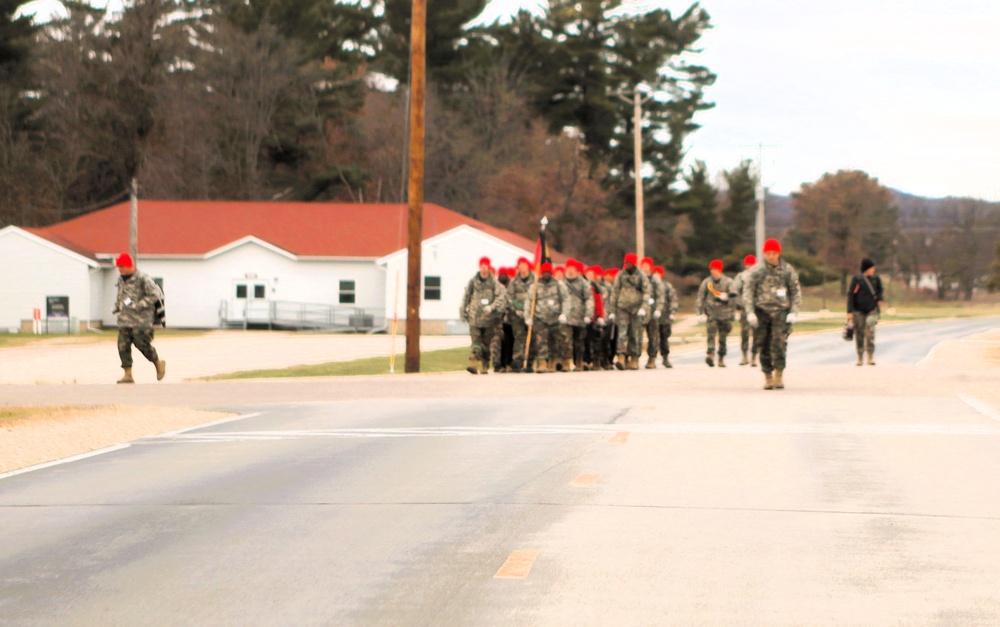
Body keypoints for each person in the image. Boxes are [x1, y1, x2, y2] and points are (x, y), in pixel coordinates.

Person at [742, 239, 801, 390]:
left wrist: (794, 311)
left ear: (778, 253)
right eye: (768, 253)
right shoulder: (757, 271)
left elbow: (795, 291)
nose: (771, 256)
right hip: (762, 312)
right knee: (764, 344)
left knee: (779, 343)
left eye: (774, 253)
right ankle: (768, 376)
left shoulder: (787, 270)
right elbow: (748, 291)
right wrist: (750, 312)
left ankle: (779, 375)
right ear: (764, 254)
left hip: (781, 312)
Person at [113, 252, 166, 384]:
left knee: (142, 344)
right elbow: (121, 295)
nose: (120, 270)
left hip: (141, 320)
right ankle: (128, 375)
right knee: (122, 346)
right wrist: (117, 306)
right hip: (124, 319)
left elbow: (155, 294)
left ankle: (158, 362)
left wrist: (139, 305)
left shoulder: (143, 278)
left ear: (129, 266)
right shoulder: (121, 279)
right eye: (118, 267)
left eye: (122, 267)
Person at [460, 256, 507, 374]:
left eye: (486, 266)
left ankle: (485, 364)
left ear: (489, 267)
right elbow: (466, 296)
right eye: (482, 266)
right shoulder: (473, 281)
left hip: (488, 319)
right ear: (479, 266)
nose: (484, 268)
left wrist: (492, 307)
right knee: (476, 341)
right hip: (475, 317)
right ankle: (473, 362)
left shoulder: (494, 282)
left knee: (486, 343)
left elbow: (500, 297)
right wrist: (463, 311)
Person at [609, 253, 652, 370]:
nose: (627, 265)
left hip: (637, 309)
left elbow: (646, 293)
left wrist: (644, 308)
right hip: (622, 308)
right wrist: (612, 310)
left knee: (635, 334)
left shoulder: (641, 276)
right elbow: (615, 292)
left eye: (629, 263)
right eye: (626, 263)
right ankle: (621, 357)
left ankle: (634, 357)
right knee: (622, 333)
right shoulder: (620, 275)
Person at [524, 262, 568, 373]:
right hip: (540, 317)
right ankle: (542, 362)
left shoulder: (558, 285)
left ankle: (553, 362)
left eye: (548, 272)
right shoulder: (535, 285)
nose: (546, 274)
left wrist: (564, 314)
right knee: (541, 341)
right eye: (544, 272)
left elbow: (566, 299)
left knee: (556, 341)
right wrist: (528, 316)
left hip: (555, 318)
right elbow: (529, 301)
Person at [696, 259, 736, 367]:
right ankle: (710, 354)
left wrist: (726, 298)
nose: (713, 271)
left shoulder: (728, 282)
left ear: (720, 270)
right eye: (712, 269)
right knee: (711, 335)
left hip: (725, 314)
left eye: (715, 269)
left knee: (723, 338)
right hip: (712, 313)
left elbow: (734, 297)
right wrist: (699, 312)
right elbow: (700, 297)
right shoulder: (707, 282)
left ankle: (721, 357)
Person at [847, 257, 884, 366]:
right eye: (871, 268)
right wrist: (849, 310)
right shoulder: (857, 279)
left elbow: (880, 291)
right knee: (859, 333)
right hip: (858, 310)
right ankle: (859, 357)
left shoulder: (876, 279)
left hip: (872, 310)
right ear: (866, 268)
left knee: (870, 331)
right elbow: (851, 295)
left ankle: (870, 356)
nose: (873, 270)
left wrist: (880, 299)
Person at [563, 259, 595, 371]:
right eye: (569, 268)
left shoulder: (583, 283)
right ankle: (566, 361)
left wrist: (588, 314)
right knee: (565, 340)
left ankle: (579, 361)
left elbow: (589, 299)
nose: (570, 270)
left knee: (579, 341)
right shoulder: (561, 283)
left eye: (572, 268)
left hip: (579, 317)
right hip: (566, 317)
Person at [506, 257, 535, 372]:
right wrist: (515, 309)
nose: (522, 266)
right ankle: (517, 362)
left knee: (531, 338)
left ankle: (530, 362)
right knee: (519, 338)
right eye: (520, 264)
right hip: (517, 315)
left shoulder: (535, 280)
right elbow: (509, 297)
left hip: (531, 314)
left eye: (524, 264)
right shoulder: (514, 282)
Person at [731, 254, 758, 366]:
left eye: (751, 264)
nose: (749, 266)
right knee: (744, 333)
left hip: (757, 309)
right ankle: (744, 356)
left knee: (757, 334)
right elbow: (734, 291)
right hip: (744, 309)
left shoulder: (759, 276)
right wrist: (739, 304)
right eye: (747, 264)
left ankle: (754, 357)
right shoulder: (741, 277)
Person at [639, 257, 664, 369]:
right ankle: (635, 357)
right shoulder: (639, 278)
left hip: (653, 312)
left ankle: (652, 358)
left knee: (653, 337)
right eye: (643, 265)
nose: (644, 267)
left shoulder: (655, 280)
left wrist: (658, 309)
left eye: (646, 265)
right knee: (637, 336)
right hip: (641, 311)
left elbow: (660, 296)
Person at [653, 266, 679, 368]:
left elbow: (673, 300)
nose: (656, 275)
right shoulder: (650, 286)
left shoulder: (667, 286)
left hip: (665, 317)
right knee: (653, 339)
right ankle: (652, 358)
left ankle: (665, 357)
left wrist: (672, 312)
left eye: (658, 273)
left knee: (664, 338)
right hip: (653, 316)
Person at [584, 265, 608, 370]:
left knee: (596, 340)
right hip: (583, 316)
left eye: (591, 274)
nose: (589, 276)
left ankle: (596, 361)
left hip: (594, 317)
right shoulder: (583, 285)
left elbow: (599, 302)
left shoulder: (596, 288)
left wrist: (600, 316)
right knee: (584, 339)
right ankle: (586, 360)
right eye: (588, 274)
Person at [494, 268, 516, 372]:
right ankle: (500, 364)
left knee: (509, 342)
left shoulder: (512, 287)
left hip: (510, 319)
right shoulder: (496, 287)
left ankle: (508, 363)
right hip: (499, 319)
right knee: (499, 343)